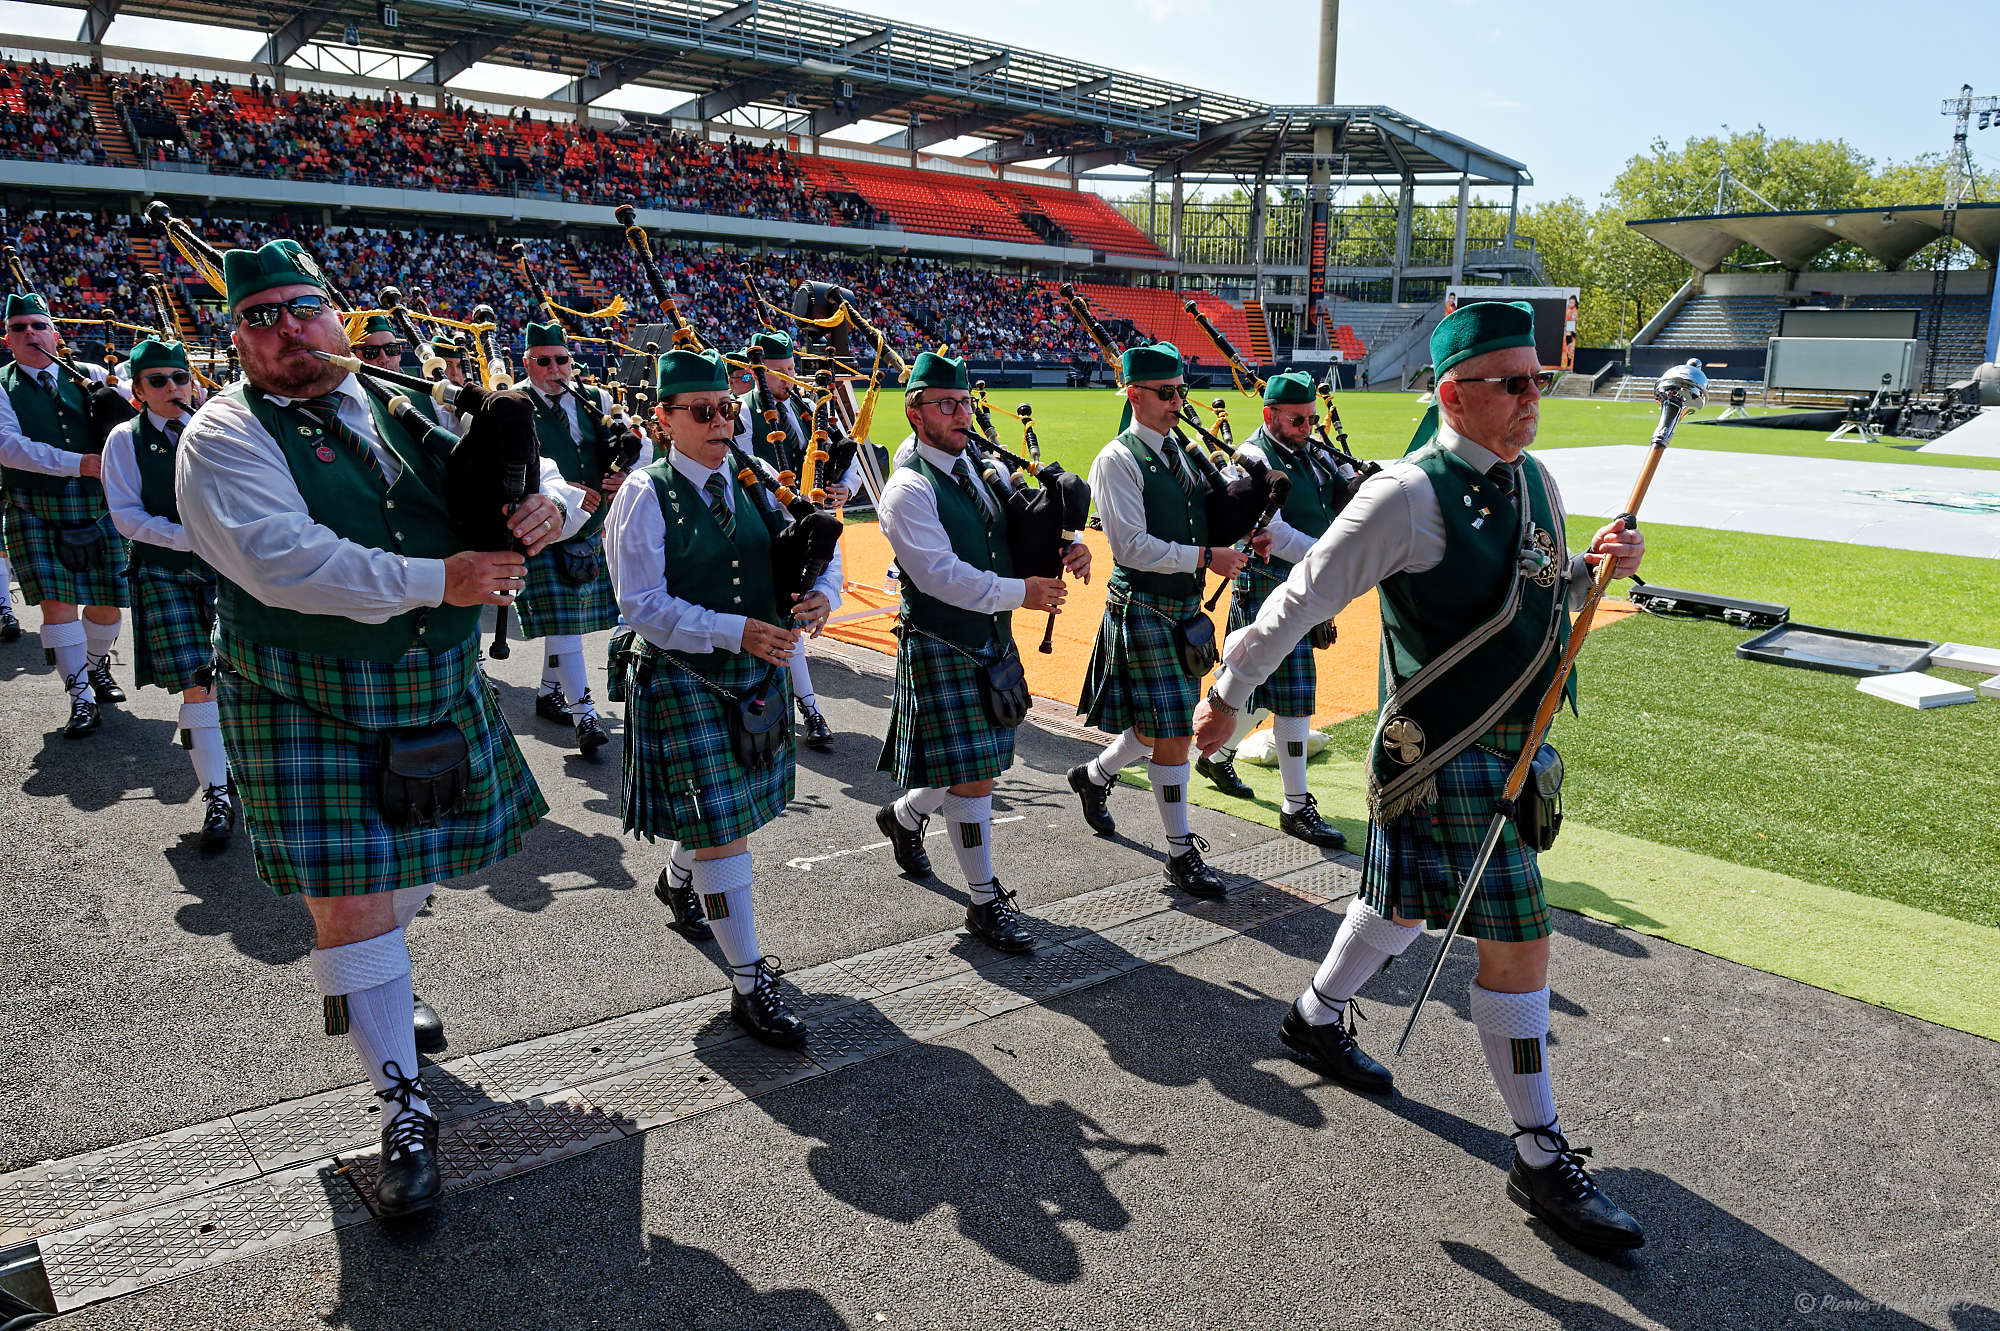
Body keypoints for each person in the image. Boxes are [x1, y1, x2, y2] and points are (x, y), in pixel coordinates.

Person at [1191, 300, 1649, 1254]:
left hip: (1512, 739)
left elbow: (1535, 591)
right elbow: (1302, 594)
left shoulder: (1536, 479)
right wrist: (1230, 693)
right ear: (1453, 394)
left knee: (1397, 906)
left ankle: (1314, 1015)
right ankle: (1537, 1151)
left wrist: (1591, 571)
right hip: (1440, 748)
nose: (1533, 398)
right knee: (1521, 941)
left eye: (1539, 380)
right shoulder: (1405, 494)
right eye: (1513, 384)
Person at [176, 239, 578, 1218]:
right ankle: (402, 1108)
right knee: (351, 904)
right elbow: (285, 560)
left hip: (432, 680)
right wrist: (440, 579)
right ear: (236, 339)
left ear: (335, 313)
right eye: (260, 317)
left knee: (407, 874)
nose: (287, 329)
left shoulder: (399, 400)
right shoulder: (223, 433)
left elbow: (535, 468)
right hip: (301, 691)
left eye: (301, 306)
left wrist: (550, 508)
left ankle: (374, 988)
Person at [604, 347, 836, 1045]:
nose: (719, 423)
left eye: (727, 408)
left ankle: (680, 879)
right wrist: (738, 630)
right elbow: (641, 605)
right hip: (687, 675)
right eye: (701, 411)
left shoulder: (755, 475)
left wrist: (820, 596)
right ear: (664, 419)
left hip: (751, 672)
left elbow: (814, 547)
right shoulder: (644, 494)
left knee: (720, 817)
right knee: (723, 827)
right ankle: (748, 981)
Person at [872, 352, 1089, 952]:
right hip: (943, 639)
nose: (961, 413)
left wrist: (1064, 547)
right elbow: (940, 575)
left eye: (965, 402)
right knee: (974, 777)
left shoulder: (978, 465)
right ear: (915, 413)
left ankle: (904, 816)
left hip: (989, 638)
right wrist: (1023, 592)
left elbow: (1013, 533)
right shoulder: (908, 488)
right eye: (946, 404)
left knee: (968, 765)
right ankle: (985, 902)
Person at [1067, 342, 1242, 898]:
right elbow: (1131, 547)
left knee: (1157, 725)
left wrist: (1243, 526)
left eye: (1180, 391)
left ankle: (1093, 775)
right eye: (1166, 393)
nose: (1176, 402)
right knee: (1172, 735)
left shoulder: (1182, 451)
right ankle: (1180, 852)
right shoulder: (1115, 460)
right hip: (1143, 605)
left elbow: (1201, 515)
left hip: (1182, 609)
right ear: (1134, 394)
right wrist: (1206, 557)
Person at [1196, 371, 1350, 850]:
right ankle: (1296, 806)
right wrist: (1333, 557)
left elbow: (1344, 496)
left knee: (1262, 691)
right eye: (1296, 420)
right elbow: (1274, 535)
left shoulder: (1315, 452)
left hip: (1308, 584)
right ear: (1269, 415)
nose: (1306, 427)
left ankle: (1214, 757)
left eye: (1311, 419)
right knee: (1294, 695)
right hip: (1268, 584)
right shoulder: (1253, 458)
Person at [100, 337, 233, 849]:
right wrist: (194, 538)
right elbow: (126, 517)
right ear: (138, 390)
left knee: (242, 679)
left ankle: (236, 770)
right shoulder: (123, 440)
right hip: (165, 572)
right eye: (158, 380)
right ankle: (217, 796)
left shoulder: (219, 429)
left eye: (180, 377)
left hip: (231, 572)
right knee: (199, 682)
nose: (173, 387)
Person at [0, 291, 130, 736]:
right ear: (7, 339)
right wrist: (80, 463)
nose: (30, 333)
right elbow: (8, 447)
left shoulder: (92, 375)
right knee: (57, 606)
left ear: (56, 335)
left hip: (98, 504)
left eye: (38, 325)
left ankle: (95, 666)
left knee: (107, 604)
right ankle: (80, 697)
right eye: (19, 328)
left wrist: (124, 402)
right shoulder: (1, 385)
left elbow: (139, 410)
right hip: (33, 505)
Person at [731, 329, 847, 750]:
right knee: (783, 615)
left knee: (795, 611)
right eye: (779, 372)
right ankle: (807, 706)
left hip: (808, 520)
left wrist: (843, 488)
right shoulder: (742, 415)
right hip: (767, 522)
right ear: (757, 372)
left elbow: (837, 454)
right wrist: (789, 502)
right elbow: (744, 473)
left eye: (792, 369)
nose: (789, 379)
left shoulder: (803, 408)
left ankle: (806, 706)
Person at [517, 319, 625, 758]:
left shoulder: (595, 400)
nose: (555, 368)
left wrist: (620, 475)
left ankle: (549, 693)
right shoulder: (512, 403)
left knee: (566, 619)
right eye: (543, 361)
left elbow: (622, 452)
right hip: (543, 526)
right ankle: (585, 716)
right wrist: (556, 494)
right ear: (526, 363)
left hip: (592, 523)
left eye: (562, 359)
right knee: (563, 621)